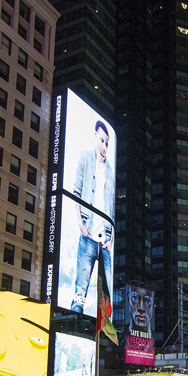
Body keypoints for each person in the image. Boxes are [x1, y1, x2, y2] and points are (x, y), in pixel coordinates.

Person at [71, 120, 115, 313]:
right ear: (95, 137)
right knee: (79, 295)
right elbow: (75, 192)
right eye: (102, 140)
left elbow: (112, 208)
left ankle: (102, 341)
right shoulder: (85, 159)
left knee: (106, 306)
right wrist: (80, 223)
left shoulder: (111, 173)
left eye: (107, 143)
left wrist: (111, 239)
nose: (104, 146)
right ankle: (72, 327)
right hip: (88, 237)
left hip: (104, 244)